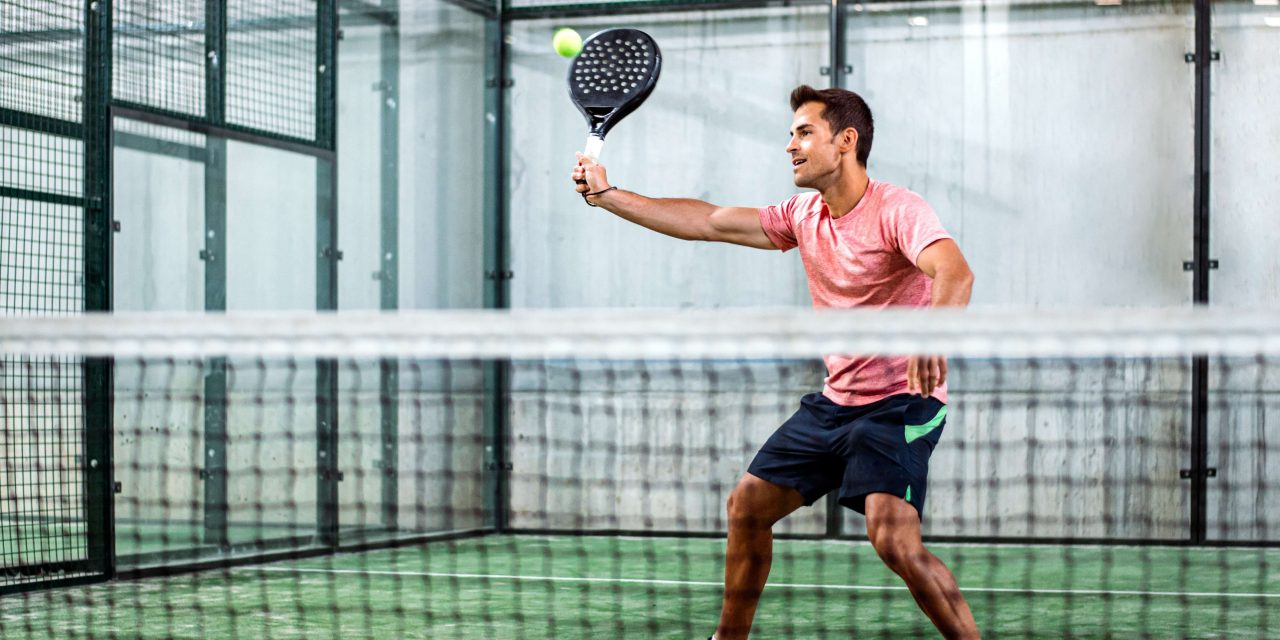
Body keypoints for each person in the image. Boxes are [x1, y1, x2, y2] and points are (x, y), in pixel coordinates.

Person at [570, 84, 979, 639]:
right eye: (791, 133)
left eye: (804, 132)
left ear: (846, 141)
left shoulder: (896, 209)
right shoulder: (802, 215)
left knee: (893, 541)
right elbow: (710, 221)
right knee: (747, 508)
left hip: (901, 405)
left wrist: (934, 337)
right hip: (834, 403)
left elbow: (955, 272)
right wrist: (608, 194)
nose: (790, 145)